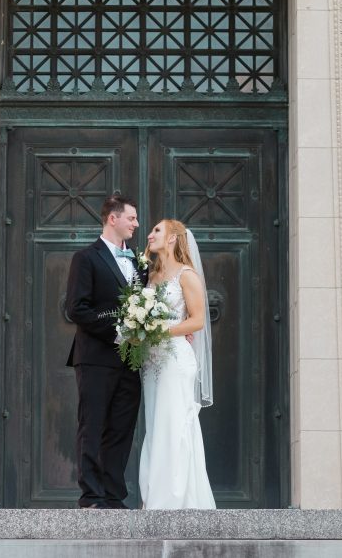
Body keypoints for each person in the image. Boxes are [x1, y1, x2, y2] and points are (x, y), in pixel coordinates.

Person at [64, 195, 145, 509]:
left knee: (122, 428)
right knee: (93, 424)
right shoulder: (86, 258)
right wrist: (118, 331)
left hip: (131, 360)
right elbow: (77, 309)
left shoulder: (139, 262)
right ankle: (92, 495)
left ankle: (113, 494)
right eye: (132, 218)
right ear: (113, 218)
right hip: (96, 358)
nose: (136, 225)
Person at [138, 218, 216, 509]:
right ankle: (154, 497)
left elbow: (196, 321)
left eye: (157, 230)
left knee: (173, 425)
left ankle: (173, 500)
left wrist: (159, 331)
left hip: (175, 359)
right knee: (156, 425)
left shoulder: (187, 275)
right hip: (152, 362)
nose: (149, 235)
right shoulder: (152, 275)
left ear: (172, 238)